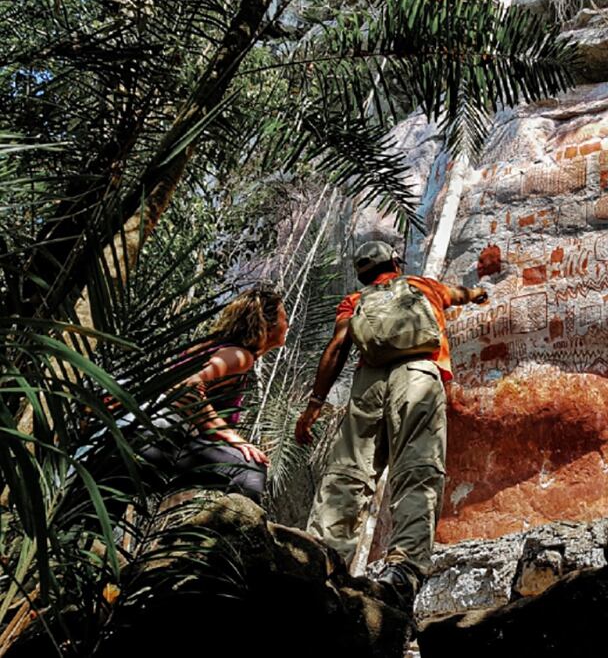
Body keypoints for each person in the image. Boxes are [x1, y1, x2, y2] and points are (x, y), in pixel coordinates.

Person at [294, 241, 487, 606]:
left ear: (363, 274)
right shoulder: (422, 286)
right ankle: (404, 567)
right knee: (417, 467)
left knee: (349, 472)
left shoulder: (355, 300)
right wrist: (477, 293)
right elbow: (460, 293)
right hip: (418, 374)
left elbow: (338, 346)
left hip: (369, 384)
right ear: (395, 263)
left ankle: (322, 560)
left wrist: (315, 403)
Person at [141, 287, 288, 503]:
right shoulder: (240, 356)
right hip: (160, 434)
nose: (288, 324)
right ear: (268, 325)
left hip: (139, 430)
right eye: (284, 318)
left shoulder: (215, 346)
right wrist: (230, 436)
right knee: (250, 469)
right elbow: (188, 385)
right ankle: (239, 535)